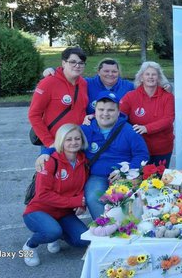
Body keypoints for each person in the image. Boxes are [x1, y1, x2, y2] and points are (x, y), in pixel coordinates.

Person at [37, 91, 149, 219]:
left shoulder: (129, 130)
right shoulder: (85, 129)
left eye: (111, 110)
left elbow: (142, 155)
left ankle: (127, 228)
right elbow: (63, 144)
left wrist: (125, 171)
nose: (105, 113)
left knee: (126, 201)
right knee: (92, 197)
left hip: (125, 175)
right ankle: (104, 229)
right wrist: (45, 153)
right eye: (101, 109)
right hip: (98, 176)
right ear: (94, 111)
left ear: (118, 112)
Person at [22, 124, 90, 266]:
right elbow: (43, 195)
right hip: (38, 211)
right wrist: (75, 202)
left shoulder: (83, 161)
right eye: (68, 139)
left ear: (82, 141)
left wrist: (81, 202)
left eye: (77, 139)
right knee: (52, 231)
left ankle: (54, 233)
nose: (73, 142)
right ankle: (30, 246)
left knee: (83, 239)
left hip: (63, 213)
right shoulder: (50, 161)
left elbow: (83, 186)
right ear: (60, 141)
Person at [42, 58, 172, 114]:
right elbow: (69, 75)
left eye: (114, 71)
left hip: (119, 132)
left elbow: (149, 84)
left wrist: (166, 85)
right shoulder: (86, 83)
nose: (110, 74)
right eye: (106, 71)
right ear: (98, 72)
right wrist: (51, 69)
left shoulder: (128, 86)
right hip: (93, 133)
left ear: (119, 73)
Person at [29, 47, 89, 148]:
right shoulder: (48, 83)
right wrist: (49, 142)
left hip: (76, 142)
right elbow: (34, 115)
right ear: (64, 63)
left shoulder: (83, 83)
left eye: (81, 63)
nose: (77, 66)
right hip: (55, 143)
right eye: (73, 62)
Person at [119, 61, 175, 166]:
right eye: (147, 74)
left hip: (162, 149)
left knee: (158, 181)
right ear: (141, 78)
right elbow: (118, 115)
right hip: (138, 148)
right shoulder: (130, 96)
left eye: (154, 74)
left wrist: (147, 128)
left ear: (158, 78)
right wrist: (95, 116)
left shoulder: (168, 96)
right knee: (138, 180)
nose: (150, 77)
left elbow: (168, 119)